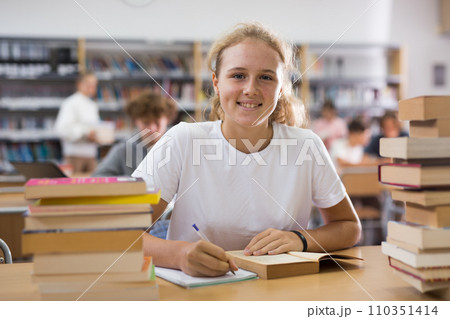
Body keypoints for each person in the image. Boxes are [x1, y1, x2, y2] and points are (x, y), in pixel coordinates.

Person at [132, 22, 361, 277]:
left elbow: (349, 226)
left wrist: (301, 239)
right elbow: (120, 235)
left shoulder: (306, 145)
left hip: (280, 290)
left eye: (266, 77)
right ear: (217, 83)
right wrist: (179, 255)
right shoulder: (183, 139)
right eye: (238, 75)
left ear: (281, 87)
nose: (251, 89)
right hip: (200, 293)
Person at [92, 91, 177, 177]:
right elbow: (97, 178)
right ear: (136, 121)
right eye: (146, 123)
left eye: (157, 122)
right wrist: (130, 182)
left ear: (168, 119)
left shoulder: (178, 145)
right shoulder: (123, 149)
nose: (152, 129)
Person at [54, 71, 100, 174]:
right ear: (79, 84)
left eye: (94, 85)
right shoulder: (70, 103)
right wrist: (86, 133)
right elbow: (62, 129)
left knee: (93, 188)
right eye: (89, 84)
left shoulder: (92, 105)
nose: (92, 87)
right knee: (73, 188)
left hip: (91, 155)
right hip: (74, 156)